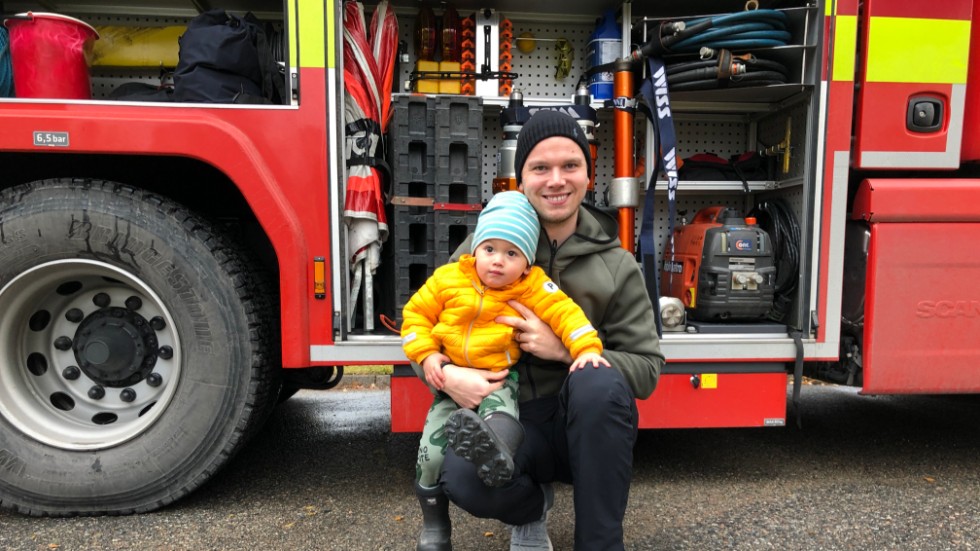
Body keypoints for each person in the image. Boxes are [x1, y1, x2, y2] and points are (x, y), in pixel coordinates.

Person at [412, 109, 665, 551]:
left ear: (589, 174)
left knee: (598, 387)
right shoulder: (478, 255)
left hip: (579, 424)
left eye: (570, 165)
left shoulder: (617, 263)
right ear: (520, 177)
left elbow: (646, 369)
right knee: (463, 476)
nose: (556, 180)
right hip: (507, 416)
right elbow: (425, 328)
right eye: (540, 168)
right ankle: (530, 511)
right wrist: (445, 374)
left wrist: (567, 352)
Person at [402, 190, 609, 551]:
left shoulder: (530, 286)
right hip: (449, 382)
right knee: (429, 455)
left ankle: (496, 452)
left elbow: (567, 314)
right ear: (475, 249)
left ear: (527, 263)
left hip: (499, 378)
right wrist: (429, 358)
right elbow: (416, 316)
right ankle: (435, 526)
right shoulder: (448, 278)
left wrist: (585, 348)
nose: (498, 261)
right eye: (490, 249)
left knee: (501, 415)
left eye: (511, 253)